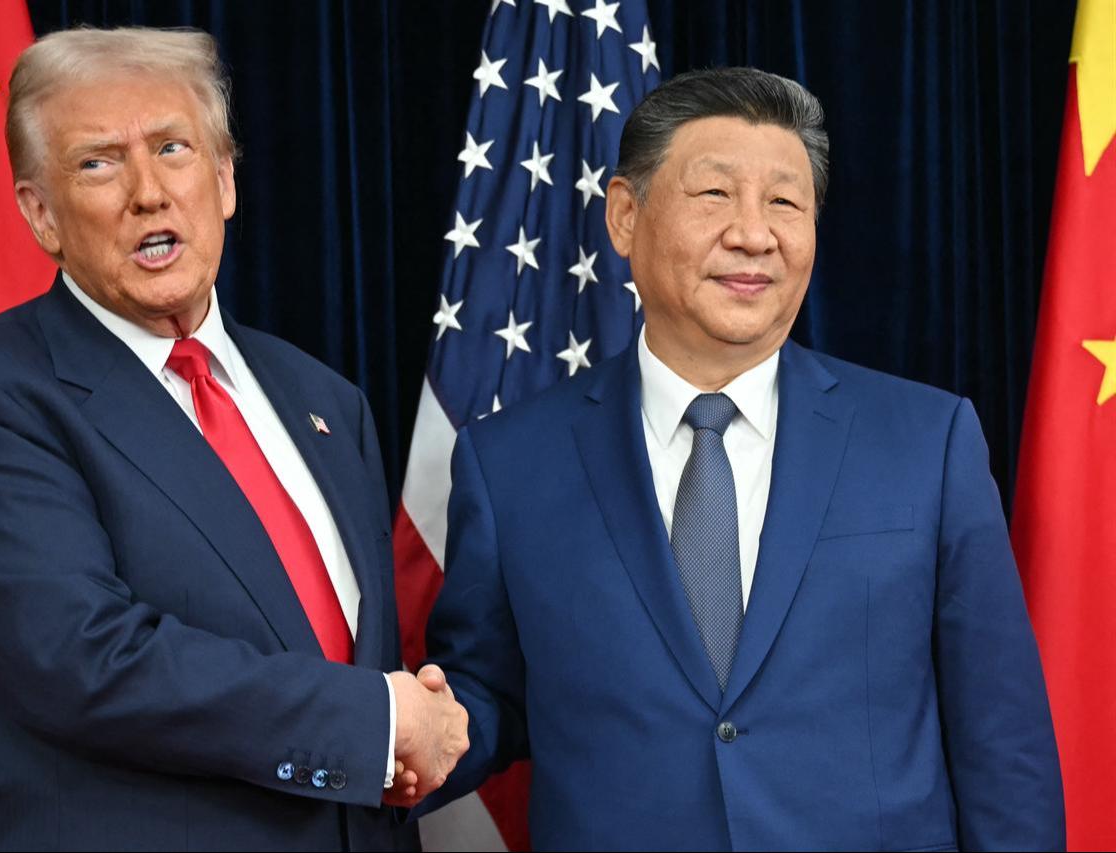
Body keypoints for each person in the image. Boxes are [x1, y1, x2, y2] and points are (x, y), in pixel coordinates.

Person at [418, 67, 1064, 850]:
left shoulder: (928, 443)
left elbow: (1003, 742)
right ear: (626, 216)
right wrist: (407, 732)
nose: (754, 234)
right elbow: (491, 694)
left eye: (786, 202)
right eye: (716, 195)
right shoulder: (510, 463)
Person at [0, 27, 465, 852]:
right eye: (99, 162)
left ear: (226, 179)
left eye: (172, 148)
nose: (148, 192)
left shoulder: (325, 401)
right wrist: (375, 720)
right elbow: (82, 658)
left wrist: (399, 736)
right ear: (41, 214)